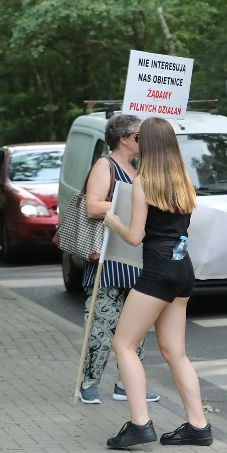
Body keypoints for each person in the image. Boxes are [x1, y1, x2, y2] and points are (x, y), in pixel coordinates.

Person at [102, 117, 211, 448]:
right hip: (182, 268)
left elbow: (135, 236)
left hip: (158, 270)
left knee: (124, 345)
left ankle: (139, 424)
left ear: (145, 143)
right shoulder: (183, 180)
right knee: (174, 351)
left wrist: (114, 221)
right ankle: (198, 426)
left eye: (138, 137)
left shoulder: (144, 181)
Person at [78, 114, 159, 405]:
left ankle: (127, 384)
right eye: (139, 136)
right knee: (100, 325)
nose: (143, 140)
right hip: (108, 260)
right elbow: (92, 205)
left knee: (135, 328)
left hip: (134, 260)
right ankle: (88, 383)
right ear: (124, 138)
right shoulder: (105, 165)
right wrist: (132, 206)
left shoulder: (138, 169)